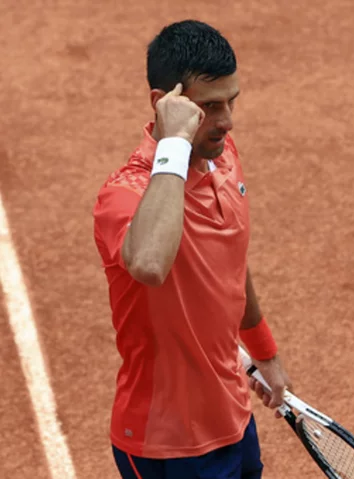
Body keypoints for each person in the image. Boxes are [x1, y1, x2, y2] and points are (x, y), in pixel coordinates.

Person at [92, 19, 293, 479]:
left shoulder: (224, 155)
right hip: (167, 445)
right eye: (209, 107)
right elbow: (148, 263)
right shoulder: (125, 195)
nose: (227, 121)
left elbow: (231, 261)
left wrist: (264, 351)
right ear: (165, 105)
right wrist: (175, 145)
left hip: (233, 420)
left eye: (231, 102)